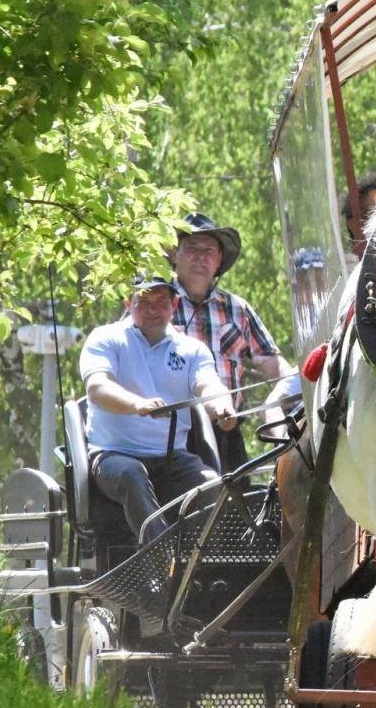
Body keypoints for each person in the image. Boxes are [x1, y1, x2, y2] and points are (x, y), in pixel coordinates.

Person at [81, 274, 234, 544]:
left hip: (172, 459)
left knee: (212, 484)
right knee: (132, 474)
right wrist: (137, 404)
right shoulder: (106, 338)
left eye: (161, 302)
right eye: (144, 302)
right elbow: (98, 388)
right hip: (112, 457)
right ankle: (162, 560)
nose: (153, 309)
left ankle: (201, 564)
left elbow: (208, 385)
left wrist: (222, 407)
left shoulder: (192, 349)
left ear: (173, 305)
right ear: (128, 303)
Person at [168, 213, 295, 470]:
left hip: (228, 432)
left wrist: (298, 383)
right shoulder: (156, 305)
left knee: (239, 507)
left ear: (219, 261)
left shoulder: (237, 308)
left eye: (209, 250)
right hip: (171, 438)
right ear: (174, 255)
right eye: (192, 248)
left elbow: (272, 364)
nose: (201, 257)